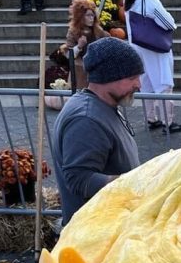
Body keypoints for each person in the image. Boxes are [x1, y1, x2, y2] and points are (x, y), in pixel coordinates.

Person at [52, 37, 142, 225]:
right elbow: (79, 179)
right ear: (108, 77)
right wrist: (134, 183)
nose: (139, 85)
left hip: (112, 224)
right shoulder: (86, 119)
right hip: (96, 231)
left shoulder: (103, 105)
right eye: (132, 78)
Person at [123, 0, 181, 133]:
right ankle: (168, 121)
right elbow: (168, 23)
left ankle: (151, 118)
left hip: (137, 45)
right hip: (155, 47)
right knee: (164, 82)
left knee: (146, 82)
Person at [63, 0, 109, 89]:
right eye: (88, 16)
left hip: (96, 69)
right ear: (81, 17)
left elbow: (108, 43)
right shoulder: (73, 32)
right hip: (80, 70)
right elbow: (69, 55)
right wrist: (79, 46)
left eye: (92, 16)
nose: (91, 18)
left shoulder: (98, 31)